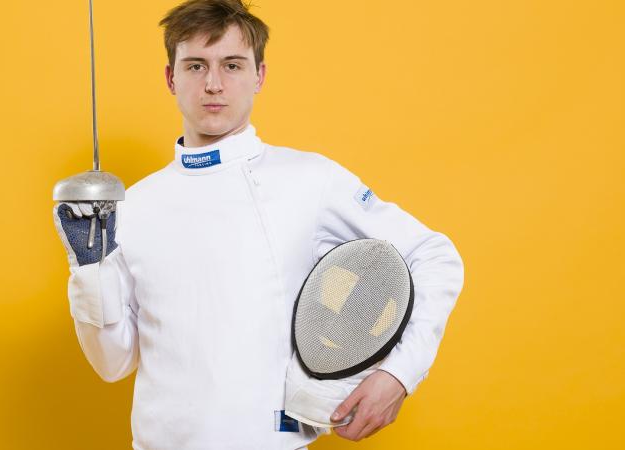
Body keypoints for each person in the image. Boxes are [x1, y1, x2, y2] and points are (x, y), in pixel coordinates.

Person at [52, 1, 465, 449]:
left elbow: (434, 255)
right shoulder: (132, 206)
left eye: (232, 65)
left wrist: (400, 374)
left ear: (259, 76)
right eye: (195, 66)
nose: (213, 84)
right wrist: (89, 271)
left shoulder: (309, 180)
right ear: (171, 78)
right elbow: (112, 363)